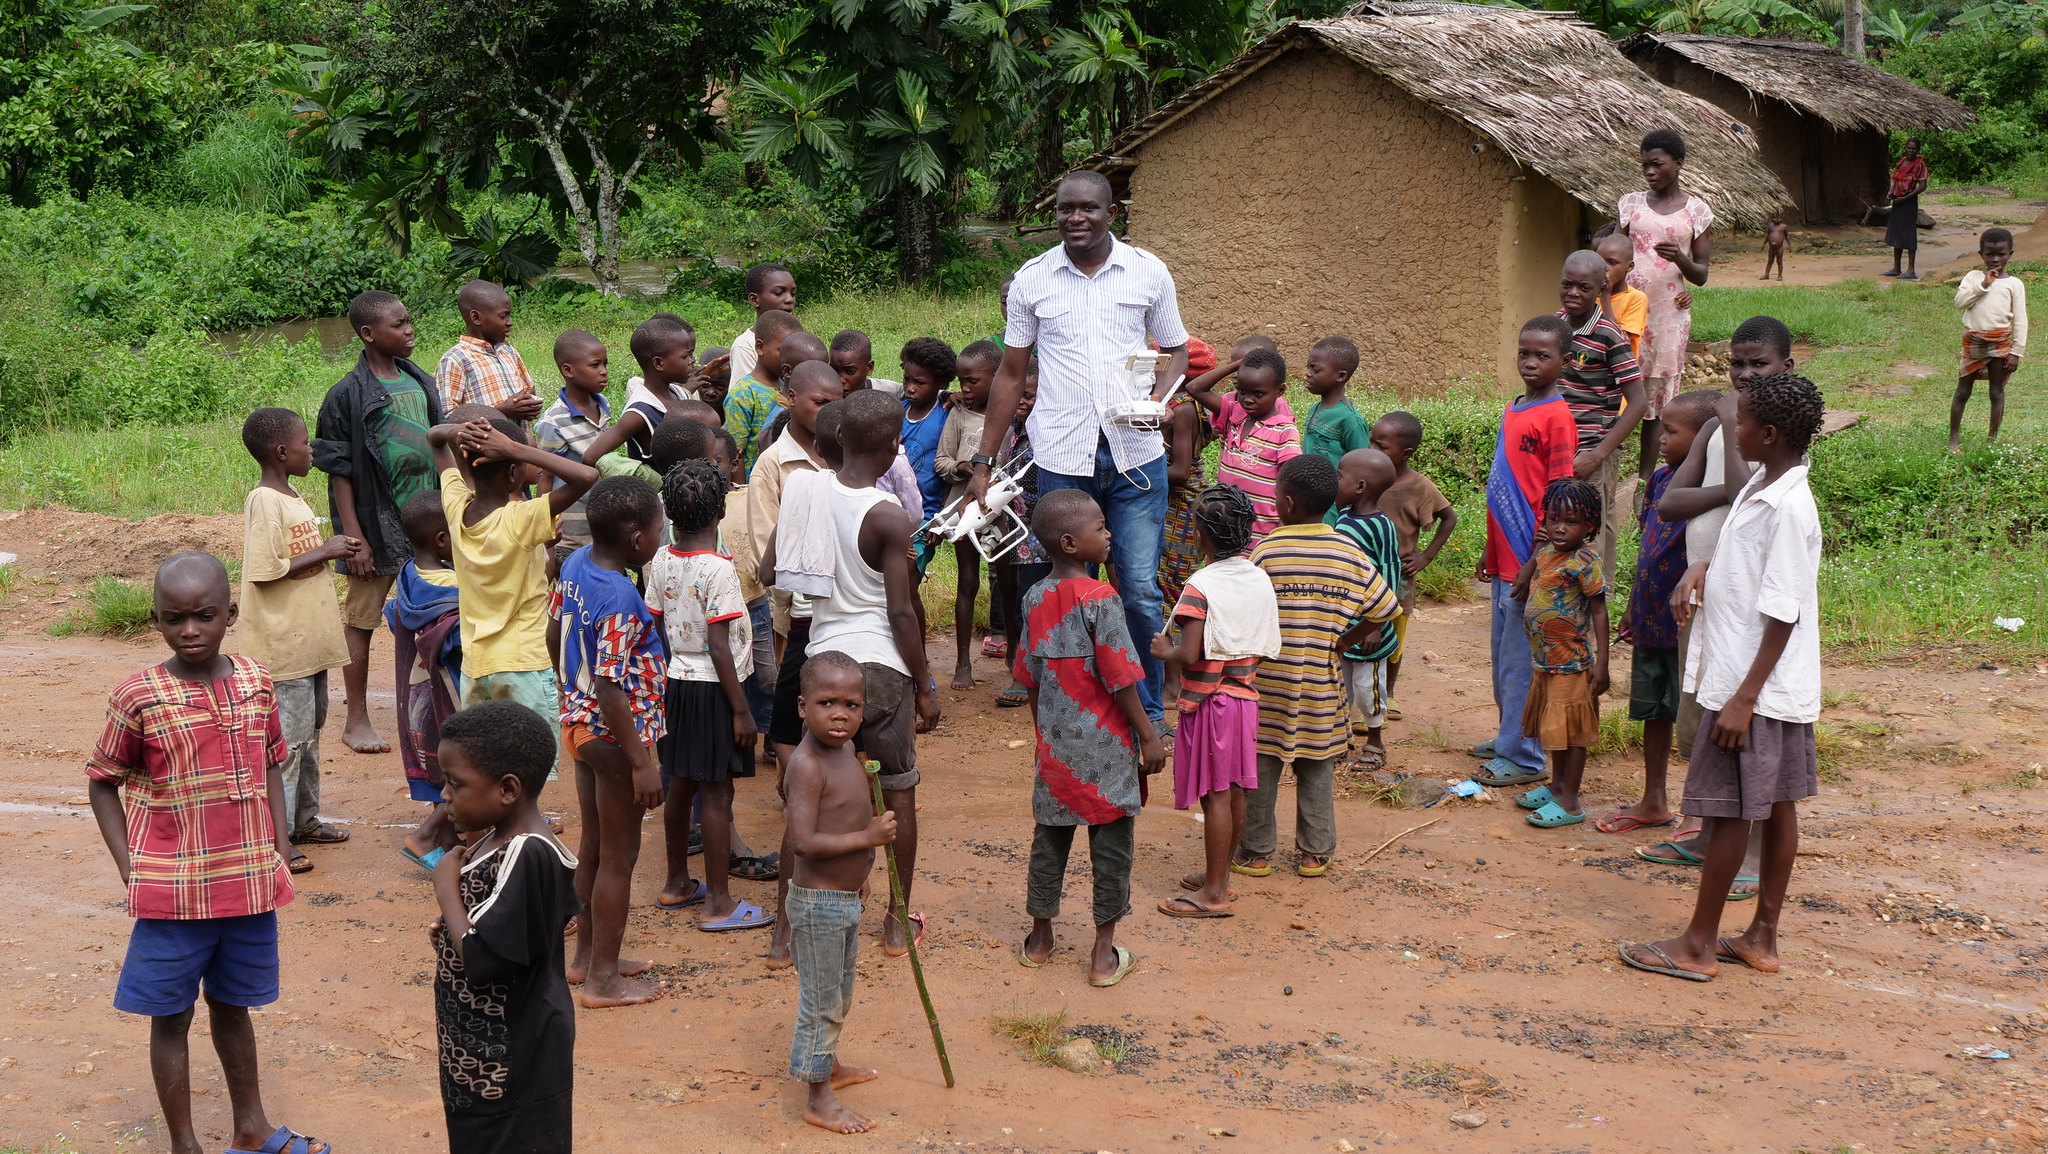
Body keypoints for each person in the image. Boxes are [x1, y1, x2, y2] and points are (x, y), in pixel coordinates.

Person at [88, 552, 329, 1154]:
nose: (189, 630)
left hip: (247, 889)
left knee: (234, 1005)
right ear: (156, 619)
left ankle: (251, 1129)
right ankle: (184, 1144)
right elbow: (101, 780)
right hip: (172, 895)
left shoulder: (254, 682)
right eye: (174, 619)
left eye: (203, 616)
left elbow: (272, 762)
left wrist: (277, 846)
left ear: (231, 612)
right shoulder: (138, 696)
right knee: (170, 1017)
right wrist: (131, 868)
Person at [1620, 373, 1825, 983]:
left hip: (1752, 686)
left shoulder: (1789, 507)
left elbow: (1784, 610)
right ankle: (1761, 936)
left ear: (1768, 433)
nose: (1731, 434)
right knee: (1779, 805)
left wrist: (1742, 699)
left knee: (1732, 813)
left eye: (1739, 425)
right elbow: (1748, 559)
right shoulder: (1763, 485)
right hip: (1765, 686)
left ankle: (1699, 943)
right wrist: (1704, 567)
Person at [969, 170, 1192, 727]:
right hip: (1062, 460)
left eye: (1088, 208)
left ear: (1110, 212)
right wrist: (983, 460)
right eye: (1066, 209)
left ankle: (1148, 702)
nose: (1075, 218)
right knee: (1070, 584)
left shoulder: (1147, 272)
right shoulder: (1032, 279)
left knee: (1138, 586)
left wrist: (1160, 400)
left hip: (1135, 455)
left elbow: (1179, 352)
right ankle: (1080, 695)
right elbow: (1010, 374)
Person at [769, 389, 941, 960]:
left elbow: (772, 568)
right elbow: (899, 612)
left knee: (809, 799)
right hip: (884, 669)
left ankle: (784, 934)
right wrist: (927, 687)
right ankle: (895, 922)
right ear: (894, 447)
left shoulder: (806, 490)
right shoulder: (886, 515)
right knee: (898, 798)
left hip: (823, 664)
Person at [1643, 315, 1791, 896]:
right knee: (1705, 714)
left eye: (1761, 364)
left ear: (1787, 367)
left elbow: (1745, 494)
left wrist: (1730, 427)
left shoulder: (1780, 429)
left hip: (1749, 604)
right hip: (1702, 594)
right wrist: (1721, 433)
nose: (1746, 374)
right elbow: (1671, 499)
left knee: (1744, 722)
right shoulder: (1715, 427)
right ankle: (1708, 834)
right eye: (1739, 364)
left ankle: (1750, 851)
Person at [1012, 489, 1164, 984]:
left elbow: (1029, 676)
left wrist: (1044, 737)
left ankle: (1040, 939)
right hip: (1106, 747)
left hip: (1057, 748)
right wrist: (1149, 736)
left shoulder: (1034, 597)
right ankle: (1102, 954)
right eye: (1101, 527)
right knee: (1112, 842)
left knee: (1049, 838)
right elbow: (1120, 677)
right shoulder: (1102, 598)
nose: (1110, 533)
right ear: (1071, 543)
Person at [429, 700, 579, 1153]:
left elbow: (484, 957)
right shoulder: (498, 838)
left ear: (508, 789)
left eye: (455, 784)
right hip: (480, 1059)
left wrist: (446, 889)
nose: (444, 795)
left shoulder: (528, 852)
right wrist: (450, 924)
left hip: (513, 1063)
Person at [1240, 455, 1398, 876]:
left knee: (1259, 768)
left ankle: (1256, 852)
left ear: (1286, 503)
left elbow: (1241, 605)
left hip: (1268, 683)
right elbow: (1386, 607)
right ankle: (1315, 852)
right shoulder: (1348, 551)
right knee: (1317, 769)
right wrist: (1345, 638)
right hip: (1321, 686)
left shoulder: (1268, 550)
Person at [553, 476, 670, 1007]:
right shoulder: (621, 597)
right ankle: (603, 979)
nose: (661, 533)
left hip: (580, 726)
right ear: (637, 540)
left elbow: (556, 629)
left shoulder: (577, 563)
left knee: (595, 845)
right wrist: (642, 762)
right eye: (657, 527)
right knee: (620, 856)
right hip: (614, 737)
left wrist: (565, 692)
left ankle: (586, 959)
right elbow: (610, 684)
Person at [313, 289, 446, 756]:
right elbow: (340, 472)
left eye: (409, 321)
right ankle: (357, 720)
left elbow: (440, 448)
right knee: (363, 621)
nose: (410, 330)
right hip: (377, 525)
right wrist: (355, 538)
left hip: (430, 522)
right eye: (399, 324)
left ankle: (441, 709)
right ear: (369, 334)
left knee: (441, 613)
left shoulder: (420, 381)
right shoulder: (347, 396)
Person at [647, 458, 771, 931]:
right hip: (715, 691)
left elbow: (657, 623)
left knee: (680, 783)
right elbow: (720, 646)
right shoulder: (720, 570)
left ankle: (677, 881)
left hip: (676, 684)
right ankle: (719, 903)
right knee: (717, 796)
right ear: (721, 512)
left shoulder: (660, 560)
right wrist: (741, 711)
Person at [240, 407, 360, 874]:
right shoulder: (263, 501)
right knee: (286, 745)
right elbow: (264, 570)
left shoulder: (291, 495)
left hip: (309, 645)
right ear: (282, 451)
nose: (312, 451)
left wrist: (325, 550)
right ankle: (277, 840)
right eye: (306, 443)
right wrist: (328, 549)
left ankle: (303, 820)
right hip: (283, 648)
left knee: (308, 737)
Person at [781, 651, 894, 1135]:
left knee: (839, 993)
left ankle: (828, 1066)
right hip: (818, 905)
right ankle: (817, 1097)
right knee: (822, 999)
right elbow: (803, 841)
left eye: (851, 704)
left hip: (845, 900)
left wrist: (862, 870)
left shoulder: (847, 752)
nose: (840, 714)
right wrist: (867, 839)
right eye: (827, 703)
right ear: (802, 706)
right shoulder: (807, 765)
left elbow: (842, 818)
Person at [1151, 485, 1276, 918]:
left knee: (1215, 797)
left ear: (1201, 536)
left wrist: (1161, 651)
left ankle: (1215, 894)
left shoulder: (1199, 587)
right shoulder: (1257, 576)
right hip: (1244, 699)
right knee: (1235, 790)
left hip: (1212, 703)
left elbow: (1188, 654)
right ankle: (1218, 875)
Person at [432, 412, 596, 742]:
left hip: (476, 667)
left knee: (487, 763)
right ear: (511, 473)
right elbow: (587, 475)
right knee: (528, 765)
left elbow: (435, 438)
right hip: (525, 664)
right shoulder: (521, 517)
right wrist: (514, 448)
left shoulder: (455, 508)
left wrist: (460, 430)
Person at [1601, 390, 1717, 835]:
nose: (1662, 440)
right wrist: (1632, 600)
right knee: (1653, 711)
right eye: (1663, 430)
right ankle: (1654, 800)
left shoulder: (1713, 490)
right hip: (1651, 614)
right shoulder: (1660, 481)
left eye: (1672, 432)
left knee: (1693, 716)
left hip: (1690, 621)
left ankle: (1698, 812)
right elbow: (1648, 545)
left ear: (1706, 438)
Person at [1474, 317, 1579, 790]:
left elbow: (1559, 498)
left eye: (1543, 355)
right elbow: (1503, 487)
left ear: (1565, 362)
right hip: (1504, 558)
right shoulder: (1514, 408)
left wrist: (1536, 563)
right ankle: (1507, 738)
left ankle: (1525, 755)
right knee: (1502, 656)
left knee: (1520, 661)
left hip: (1529, 565)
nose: (1531, 362)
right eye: (1525, 353)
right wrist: (1488, 549)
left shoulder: (1557, 417)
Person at [753, 363, 842, 773]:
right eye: (819, 403)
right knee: (794, 692)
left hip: (841, 602)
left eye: (836, 404)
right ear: (791, 398)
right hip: (794, 609)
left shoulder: (846, 454)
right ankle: (795, 780)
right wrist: (789, 600)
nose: (828, 412)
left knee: (834, 693)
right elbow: (763, 542)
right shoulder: (773, 463)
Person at [1508, 478, 1609, 828]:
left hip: (1572, 662)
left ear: (1590, 526)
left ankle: (1571, 801)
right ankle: (1556, 785)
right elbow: (1532, 573)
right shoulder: (1547, 553)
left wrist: (1603, 663)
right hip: (1546, 661)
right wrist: (1531, 561)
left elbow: (1598, 610)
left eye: (1571, 522)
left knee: (1572, 732)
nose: (1560, 528)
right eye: (1553, 519)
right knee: (1555, 730)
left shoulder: (1586, 560)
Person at [1618, 128, 1714, 471]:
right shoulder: (1631, 204)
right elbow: (1613, 254)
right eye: (1645, 165)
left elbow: (1700, 275)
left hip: (1668, 316)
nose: (1649, 171)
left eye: (1657, 164)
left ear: (1678, 163)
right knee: (1618, 382)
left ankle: (1645, 479)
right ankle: (1606, 463)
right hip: (1627, 312)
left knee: (1657, 398)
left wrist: (1680, 259)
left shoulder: (1697, 212)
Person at [1556, 248, 1646, 587]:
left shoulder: (1609, 335)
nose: (1574, 294)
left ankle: (1594, 608)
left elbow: (1638, 402)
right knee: (1563, 524)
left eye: (1584, 287)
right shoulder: (1557, 324)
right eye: (1567, 285)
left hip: (1594, 450)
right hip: (1561, 447)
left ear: (1600, 289)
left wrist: (1598, 454)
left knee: (1590, 532)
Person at [387, 491, 465, 870]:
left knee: (439, 760)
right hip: (449, 692)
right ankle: (425, 836)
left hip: (417, 694)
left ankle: (448, 841)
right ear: (442, 540)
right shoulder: (453, 589)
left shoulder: (408, 576)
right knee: (468, 764)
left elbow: (392, 615)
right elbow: (459, 642)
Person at [1370, 411, 1455, 718]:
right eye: (1371, 443)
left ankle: (1389, 693)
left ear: (1406, 453)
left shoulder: (1419, 486)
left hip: (1399, 578)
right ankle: (1363, 693)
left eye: (1381, 446)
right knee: (1361, 633)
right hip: (1366, 575)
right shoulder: (1366, 476)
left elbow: (1450, 518)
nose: (1373, 451)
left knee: (1394, 636)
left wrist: (1426, 556)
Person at [935, 339, 1002, 688]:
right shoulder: (958, 413)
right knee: (967, 581)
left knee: (1007, 583)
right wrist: (962, 468)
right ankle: (963, 662)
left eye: (972, 381)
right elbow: (941, 461)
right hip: (964, 510)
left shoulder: (1013, 414)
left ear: (998, 377)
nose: (964, 388)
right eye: (961, 381)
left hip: (1003, 511)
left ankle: (1016, 658)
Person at [1332, 448, 1403, 772]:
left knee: (1367, 688)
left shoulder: (1381, 527)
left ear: (1359, 487)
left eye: (1339, 477)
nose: (1334, 482)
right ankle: (1340, 738)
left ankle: (1375, 742)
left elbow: (1389, 572)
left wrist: (1375, 623)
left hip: (1371, 627)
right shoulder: (1343, 517)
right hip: (1345, 624)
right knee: (1341, 685)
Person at [1183, 347, 1302, 541]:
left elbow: (1292, 483)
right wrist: (1241, 363)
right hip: (1225, 530)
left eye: (1258, 394)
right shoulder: (1233, 414)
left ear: (1280, 391)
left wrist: (1281, 532)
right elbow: (1195, 388)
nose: (1247, 399)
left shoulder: (1284, 431)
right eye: (1242, 391)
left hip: (1262, 532)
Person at [579, 315, 717, 470]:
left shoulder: (679, 393)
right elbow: (590, 457)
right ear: (658, 363)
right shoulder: (640, 412)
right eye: (686, 356)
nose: (692, 360)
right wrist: (643, 477)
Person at [1159, 339, 1235, 617]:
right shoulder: (1177, 404)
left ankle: (1180, 647)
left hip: (1181, 505)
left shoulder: (1182, 410)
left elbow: (1179, 471)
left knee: (1173, 585)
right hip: (1181, 502)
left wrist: (1133, 474)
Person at [993, 367, 1048, 710]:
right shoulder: (1014, 429)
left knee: (1035, 605)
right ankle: (1023, 665)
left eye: (1029, 397)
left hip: (1045, 535)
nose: (1022, 403)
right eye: (1019, 396)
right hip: (1018, 530)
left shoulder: (1048, 433)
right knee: (1019, 600)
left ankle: (1025, 676)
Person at [533, 329, 613, 562]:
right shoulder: (553, 421)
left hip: (598, 517)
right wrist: (545, 524)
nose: (604, 371)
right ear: (568, 370)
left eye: (605, 364)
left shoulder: (602, 404)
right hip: (570, 527)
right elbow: (544, 475)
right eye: (595, 365)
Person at [1951, 226, 2027, 453]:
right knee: (1963, 391)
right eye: (1989, 254)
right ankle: (1954, 437)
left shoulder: (2015, 284)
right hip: (1973, 342)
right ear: (1980, 254)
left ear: (2010, 254)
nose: (1995, 259)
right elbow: (1960, 303)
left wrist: (2016, 352)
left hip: (2000, 343)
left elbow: (2021, 319)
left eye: (2001, 254)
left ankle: (1991, 440)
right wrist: (1983, 285)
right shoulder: (1973, 278)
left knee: (1996, 392)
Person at [437, 279, 543, 425]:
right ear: (476, 317)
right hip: (486, 446)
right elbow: (447, 418)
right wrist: (501, 411)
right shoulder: (455, 359)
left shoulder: (509, 352)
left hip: (521, 444)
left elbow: (529, 390)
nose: (510, 322)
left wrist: (528, 405)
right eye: (503, 316)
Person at [898, 336, 956, 566]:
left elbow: (950, 473)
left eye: (919, 383)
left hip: (926, 517)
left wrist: (941, 517)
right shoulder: (896, 410)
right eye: (906, 379)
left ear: (941, 383)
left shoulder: (946, 415)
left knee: (909, 578)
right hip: (892, 514)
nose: (910, 388)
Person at [726, 311, 806, 471]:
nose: (790, 359)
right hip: (757, 481)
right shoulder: (743, 394)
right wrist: (743, 491)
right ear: (760, 347)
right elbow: (736, 454)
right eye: (783, 351)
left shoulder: (790, 385)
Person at [1300, 336, 1372, 485]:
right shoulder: (1316, 408)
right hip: (1306, 496)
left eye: (1315, 369)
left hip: (1332, 505)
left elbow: (1362, 468)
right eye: (1308, 367)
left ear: (1340, 376)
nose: (1308, 373)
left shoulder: (1351, 420)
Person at [728, 262, 798, 389]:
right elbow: (745, 395)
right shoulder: (745, 345)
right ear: (754, 300)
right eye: (778, 293)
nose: (789, 299)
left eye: (792, 293)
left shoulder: (798, 337)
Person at [1594, 230, 1650, 361]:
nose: (1604, 268)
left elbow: (1618, 342)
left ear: (1629, 266)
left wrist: (1605, 297)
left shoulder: (1635, 298)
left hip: (1618, 370)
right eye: (1600, 261)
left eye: (1612, 262)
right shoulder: (1589, 294)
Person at [1883, 139, 1929, 281]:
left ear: (1918, 150)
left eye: (1914, 149)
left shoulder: (1920, 165)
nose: (1911, 151)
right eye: (1909, 148)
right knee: (1896, 233)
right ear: (1905, 148)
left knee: (1908, 234)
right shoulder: (1902, 162)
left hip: (1908, 202)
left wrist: (1906, 198)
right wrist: (1890, 193)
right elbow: (1896, 180)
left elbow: (1922, 186)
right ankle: (1896, 268)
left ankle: (1911, 269)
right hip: (1898, 200)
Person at [830, 329, 902, 398]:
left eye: (850, 371)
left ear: (869, 368)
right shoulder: (824, 395)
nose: (841, 380)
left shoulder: (887, 390)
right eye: (834, 370)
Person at [1762, 213, 1788, 282]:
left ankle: (1780, 275)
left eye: (1779, 218)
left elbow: (1787, 236)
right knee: (1769, 261)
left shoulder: (1783, 226)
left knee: (1779, 261)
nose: (1777, 219)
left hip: (1779, 247)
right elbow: (1768, 236)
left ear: (1782, 218)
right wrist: (1764, 244)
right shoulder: (1770, 226)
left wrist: (1789, 245)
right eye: (1775, 218)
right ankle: (1766, 274)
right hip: (1771, 247)